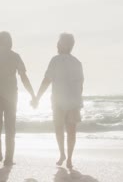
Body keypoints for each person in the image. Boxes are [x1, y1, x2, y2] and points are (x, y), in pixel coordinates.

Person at [0, 31, 36, 169]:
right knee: (10, 128)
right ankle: (8, 159)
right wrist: (32, 94)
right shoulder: (15, 56)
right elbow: (23, 77)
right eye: (10, 39)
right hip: (11, 97)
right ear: (8, 41)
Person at [32, 33, 84, 169]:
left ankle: (63, 154)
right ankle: (69, 158)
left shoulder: (55, 60)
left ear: (66, 45)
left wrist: (37, 97)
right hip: (73, 101)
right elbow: (81, 85)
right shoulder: (77, 62)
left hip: (59, 102)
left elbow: (47, 80)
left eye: (59, 42)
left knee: (59, 129)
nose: (57, 45)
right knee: (71, 131)